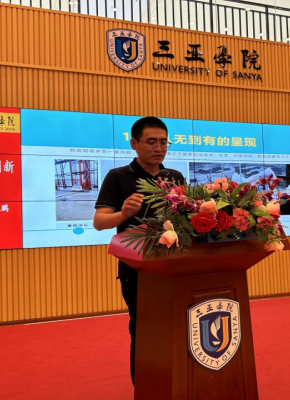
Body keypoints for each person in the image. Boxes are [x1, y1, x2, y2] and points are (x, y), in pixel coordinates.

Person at [93, 116, 184, 384]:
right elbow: (99, 222)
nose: (159, 148)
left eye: (163, 142)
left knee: (177, 328)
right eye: (151, 142)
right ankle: (146, 388)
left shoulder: (174, 177)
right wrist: (123, 213)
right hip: (138, 270)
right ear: (134, 143)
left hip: (176, 266)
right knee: (144, 330)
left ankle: (176, 383)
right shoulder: (118, 176)